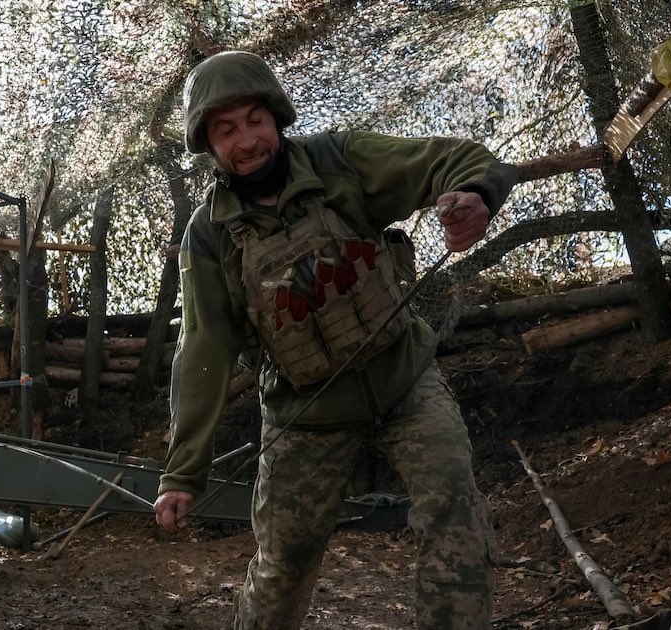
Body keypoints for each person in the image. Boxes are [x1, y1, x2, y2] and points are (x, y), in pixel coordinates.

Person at [152, 50, 517, 630]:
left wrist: (476, 194)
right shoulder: (209, 234)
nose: (247, 140)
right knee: (283, 563)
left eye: (255, 120)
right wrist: (183, 473)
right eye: (226, 130)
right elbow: (203, 351)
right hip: (306, 414)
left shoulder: (339, 162)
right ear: (209, 146)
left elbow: (452, 160)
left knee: (453, 511)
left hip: (405, 383)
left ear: (276, 118)